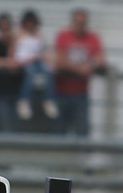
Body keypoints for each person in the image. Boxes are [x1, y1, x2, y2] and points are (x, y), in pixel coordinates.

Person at [52, 9, 107, 138]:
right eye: (77, 22)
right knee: (59, 132)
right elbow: (60, 62)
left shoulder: (93, 38)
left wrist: (91, 65)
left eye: (82, 22)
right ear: (73, 22)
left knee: (82, 133)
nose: (80, 25)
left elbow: (101, 61)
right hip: (61, 92)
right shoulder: (63, 36)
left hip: (81, 93)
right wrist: (79, 69)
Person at [12, 10, 56, 122]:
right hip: (24, 62)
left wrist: (49, 61)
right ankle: (24, 101)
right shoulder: (19, 35)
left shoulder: (39, 36)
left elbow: (43, 52)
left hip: (37, 61)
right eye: (28, 23)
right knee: (30, 73)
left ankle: (48, 100)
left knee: (48, 71)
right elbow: (15, 52)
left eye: (33, 23)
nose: (31, 26)